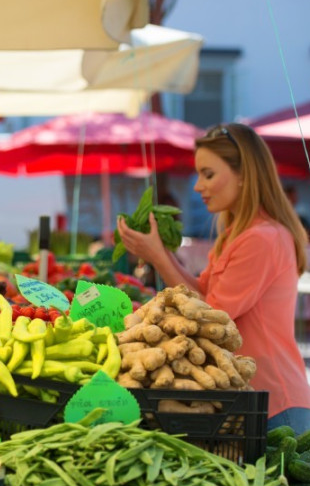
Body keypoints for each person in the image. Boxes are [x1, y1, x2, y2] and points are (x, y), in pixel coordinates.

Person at [117, 123, 310, 434]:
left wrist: (158, 257)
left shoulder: (262, 238)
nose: (197, 186)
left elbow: (209, 320)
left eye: (208, 174)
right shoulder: (239, 234)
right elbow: (198, 294)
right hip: (251, 398)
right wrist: (160, 254)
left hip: (275, 405)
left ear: (244, 175)